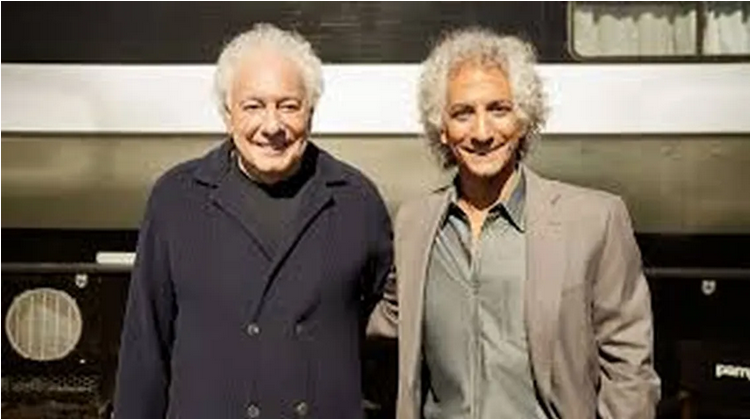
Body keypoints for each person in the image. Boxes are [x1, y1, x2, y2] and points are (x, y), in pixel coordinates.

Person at [368, 27, 660, 419]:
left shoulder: (595, 220)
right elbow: (379, 320)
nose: (482, 132)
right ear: (443, 129)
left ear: (523, 119)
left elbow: (630, 371)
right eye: (463, 113)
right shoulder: (414, 224)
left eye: (499, 110)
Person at [114, 23, 393, 419]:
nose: (272, 126)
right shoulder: (176, 199)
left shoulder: (356, 200)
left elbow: (388, 342)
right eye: (253, 106)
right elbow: (145, 349)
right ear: (228, 114)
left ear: (311, 113)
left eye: (288, 106)